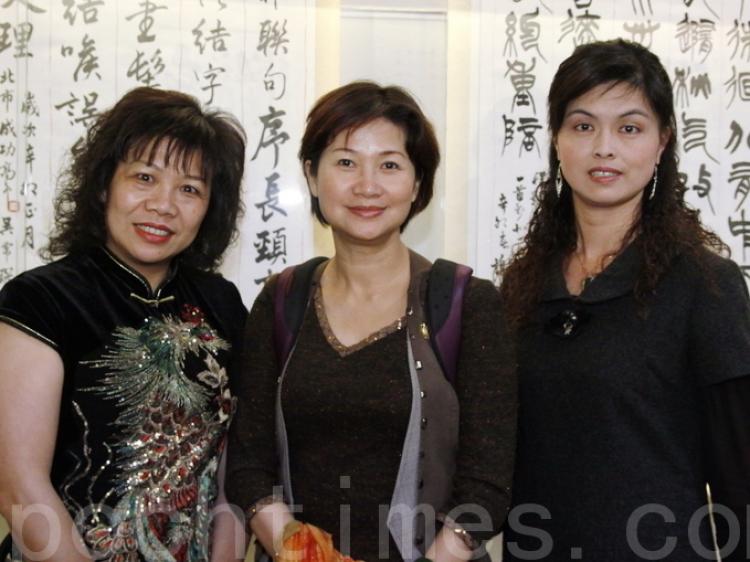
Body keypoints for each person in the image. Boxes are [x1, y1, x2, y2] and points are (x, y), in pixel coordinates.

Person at [226, 81, 517, 562]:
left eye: (389, 164)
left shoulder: (468, 302)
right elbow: (248, 460)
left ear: (417, 183)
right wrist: (299, 548)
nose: (367, 185)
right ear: (312, 175)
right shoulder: (281, 299)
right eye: (345, 162)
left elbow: (487, 478)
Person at [500, 39, 750, 561]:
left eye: (629, 128)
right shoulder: (521, 287)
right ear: (556, 140)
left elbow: (740, 475)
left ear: (663, 143)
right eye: (583, 125)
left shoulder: (706, 285)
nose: (604, 147)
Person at [0, 87, 248, 562]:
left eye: (189, 189)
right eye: (144, 177)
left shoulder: (222, 304)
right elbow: (18, 485)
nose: (163, 204)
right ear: (103, 185)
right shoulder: (41, 299)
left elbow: (231, 478)